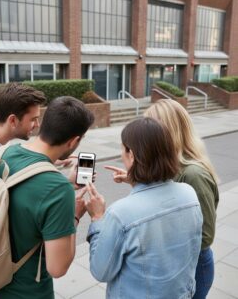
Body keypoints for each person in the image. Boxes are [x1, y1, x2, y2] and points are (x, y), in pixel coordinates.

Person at [0, 96, 94, 299]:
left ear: (43, 123)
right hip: (27, 293)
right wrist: (75, 216)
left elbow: (19, 196)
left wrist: (66, 183)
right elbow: (57, 268)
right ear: (74, 141)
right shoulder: (57, 191)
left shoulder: (0, 155)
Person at [84, 117, 203, 299]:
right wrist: (136, 180)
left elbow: (101, 271)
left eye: (123, 149)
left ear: (131, 154)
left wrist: (97, 218)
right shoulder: (189, 194)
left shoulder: (120, 213)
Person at [144, 99, 219, 299]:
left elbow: (205, 236)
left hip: (193, 267)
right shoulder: (171, 167)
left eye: (150, 130)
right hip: (177, 262)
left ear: (167, 132)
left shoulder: (193, 174)